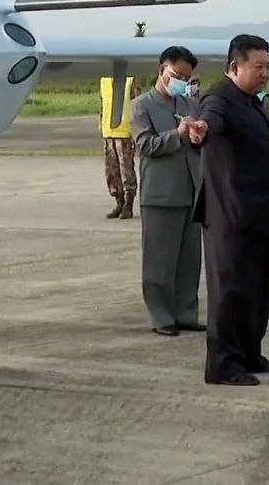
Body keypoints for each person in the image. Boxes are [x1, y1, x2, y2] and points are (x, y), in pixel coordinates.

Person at [191, 35, 269, 386]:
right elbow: (209, 122)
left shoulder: (252, 101)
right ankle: (223, 364)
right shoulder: (219, 99)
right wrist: (201, 130)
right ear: (234, 66)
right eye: (258, 67)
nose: (265, 73)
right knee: (230, 291)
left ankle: (249, 352)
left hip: (262, 214)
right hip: (232, 215)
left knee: (257, 290)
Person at [131, 47, 205, 336]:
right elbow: (146, 145)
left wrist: (198, 135)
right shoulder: (141, 106)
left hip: (190, 191)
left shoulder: (188, 103)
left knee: (189, 261)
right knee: (159, 262)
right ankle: (162, 317)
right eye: (177, 75)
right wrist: (178, 135)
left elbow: (197, 142)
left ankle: (186, 313)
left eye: (187, 77)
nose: (181, 81)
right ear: (162, 70)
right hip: (160, 195)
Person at [99, 76, 142, 219]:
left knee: (126, 170)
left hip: (124, 132)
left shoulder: (129, 79)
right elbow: (102, 103)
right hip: (108, 131)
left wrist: (136, 131)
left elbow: (137, 105)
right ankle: (119, 201)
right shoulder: (104, 79)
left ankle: (128, 205)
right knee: (111, 171)